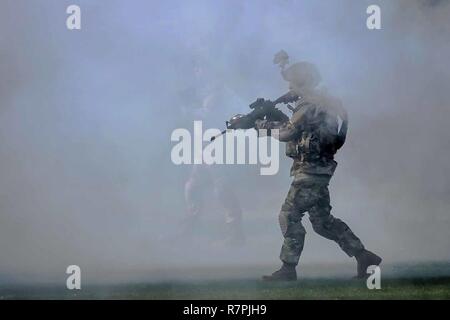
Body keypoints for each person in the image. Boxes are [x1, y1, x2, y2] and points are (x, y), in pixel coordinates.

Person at [255, 54, 381, 280]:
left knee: (289, 215)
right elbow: (301, 129)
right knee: (322, 223)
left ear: (302, 82)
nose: (290, 88)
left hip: (310, 171)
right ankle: (364, 256)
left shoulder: (309, 104)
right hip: (319, 170)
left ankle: (288, 268)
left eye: (292, 83)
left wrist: (262, 126)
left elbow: (288, 133)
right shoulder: (324, 102)